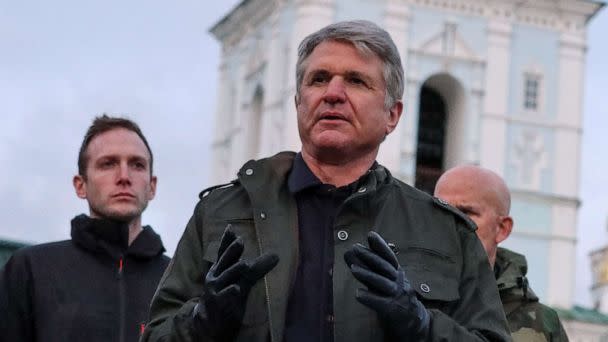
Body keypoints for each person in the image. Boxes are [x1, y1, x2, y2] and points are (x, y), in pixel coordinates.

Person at [142, 20, 510, 341]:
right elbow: (157, 334)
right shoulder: (221, 212)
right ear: (299, 103)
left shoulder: (444, 231)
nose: (333, 93)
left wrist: (422, 325)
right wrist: (203, 319)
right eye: (319, 79)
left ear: (392, 115)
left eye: (356, 81)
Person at [0, 115, 170, 342]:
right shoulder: (31, 269)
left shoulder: (177, 282)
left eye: (137, 165)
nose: (124, 177)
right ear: (81, 186)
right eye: (108, 164)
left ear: (152, 186)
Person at [434, 165, 569, 341]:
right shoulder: (404, 300)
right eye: (440, 210)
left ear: (502, 228)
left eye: (466, 212)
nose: (449, 222)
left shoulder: (542, 326)